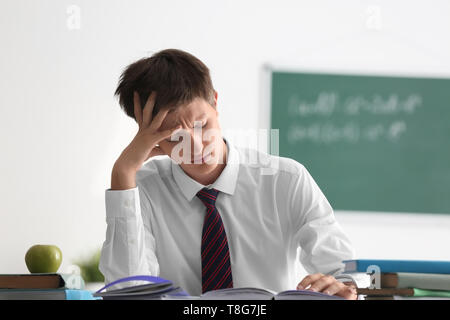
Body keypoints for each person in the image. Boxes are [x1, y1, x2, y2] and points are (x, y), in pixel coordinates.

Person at [99, 48, 358, 299]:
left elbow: (346, 274)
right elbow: (128, 292)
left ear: (215, 102)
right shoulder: (142, 189)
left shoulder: (286, 180)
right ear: (148, 139)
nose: (196, 147)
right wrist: (123, 172)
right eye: (175, 138)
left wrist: (344, 287)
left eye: (202, 125)